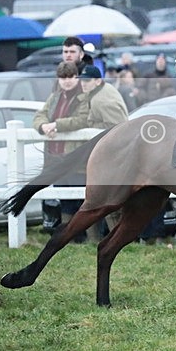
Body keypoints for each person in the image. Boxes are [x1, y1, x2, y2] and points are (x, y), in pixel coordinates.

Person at [33, 62, 90, 238]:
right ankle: (68, 237)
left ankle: (84, 237)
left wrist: (56, 125)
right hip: (56, 156)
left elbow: (81, 120)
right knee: (64, 199)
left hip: (74, 156)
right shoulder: (55, 96)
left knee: (80, 199)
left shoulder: (84, 96)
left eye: (71, 77)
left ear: (76, 77)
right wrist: (43, 126)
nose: (67, 81)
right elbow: (39, 115)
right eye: (63, 77)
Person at [79, 65, 129, 242]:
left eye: (87, 81)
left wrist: (90, 127)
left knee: (109, 198)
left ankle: (117, 238)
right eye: (82, 81)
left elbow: (117, 126)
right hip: (116, 154)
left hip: (115, 156)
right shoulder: (103, 91)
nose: (83, 84)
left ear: (97, 81)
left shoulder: (101, 99)